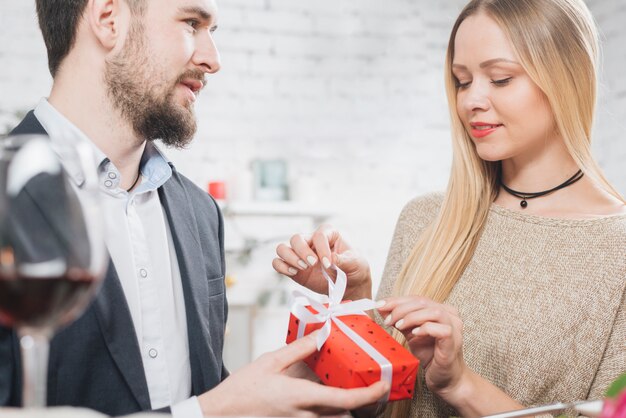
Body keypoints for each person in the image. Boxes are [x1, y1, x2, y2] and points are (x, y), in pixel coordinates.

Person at [0, 0, 389, 416]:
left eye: (212, 31)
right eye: (191, 23)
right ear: (108, 18)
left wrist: (340, 323)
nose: (213, 59)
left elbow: (210, 393)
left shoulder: (201, 214)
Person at [273, 0, 626, 416]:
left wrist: (461, 383)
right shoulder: (424, 219)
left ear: (568, 78)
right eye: (462, 81)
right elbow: (375, 409)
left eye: (500, 78)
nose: (471, 100)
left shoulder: (616, 250)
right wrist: (353, 304)